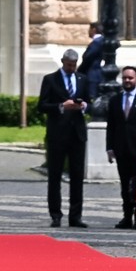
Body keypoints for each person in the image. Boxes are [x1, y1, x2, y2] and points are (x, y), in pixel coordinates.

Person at [38, 47, 88, 228]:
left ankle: (75, 216)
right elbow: (42, 105)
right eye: (68, 65)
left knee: (77, 176)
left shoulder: (82, 79)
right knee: (55, 176)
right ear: (62, 62)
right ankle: (56, 214)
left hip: (77, 133)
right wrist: (61, 106)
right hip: (57, 133)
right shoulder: (50, 79)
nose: (71, 68)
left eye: (74, 65)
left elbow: (89, 99)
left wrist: (83, 106)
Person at [104, 63, 136, 229]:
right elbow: (111, 126)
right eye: (124, 78)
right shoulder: (114, 101)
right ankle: (127, 217)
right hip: (121, 150)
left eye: (130, 78)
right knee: (125, 186)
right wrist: (109, 147)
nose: (127, 80)